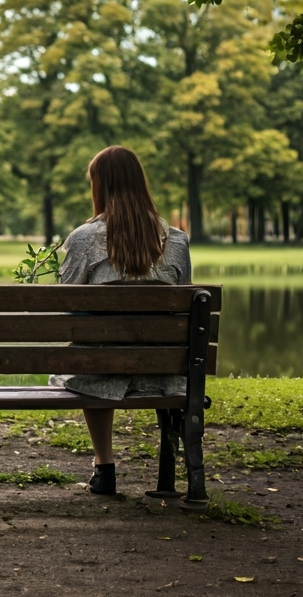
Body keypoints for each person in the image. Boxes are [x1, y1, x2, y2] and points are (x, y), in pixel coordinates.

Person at [51, 145, 192, 495]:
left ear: (100, 186)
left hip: (100, 369)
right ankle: (170, 473)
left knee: (91, 356)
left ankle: (105, 466)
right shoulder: (177, 240)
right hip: (164, 372)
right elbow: (182, 308)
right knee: (100, 353)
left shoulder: (84, 239)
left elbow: (65, 306)